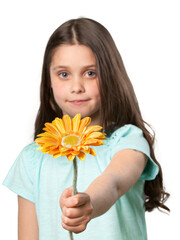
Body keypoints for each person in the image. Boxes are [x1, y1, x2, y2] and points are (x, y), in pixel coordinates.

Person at [3, 17, 170, 240]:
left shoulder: (128, 141)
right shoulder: (31, 159)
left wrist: (89, 201)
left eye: (90, 73)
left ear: (110, 76)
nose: (76, 87)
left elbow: (114, 182)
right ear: (49, 82)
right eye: (64, 74)